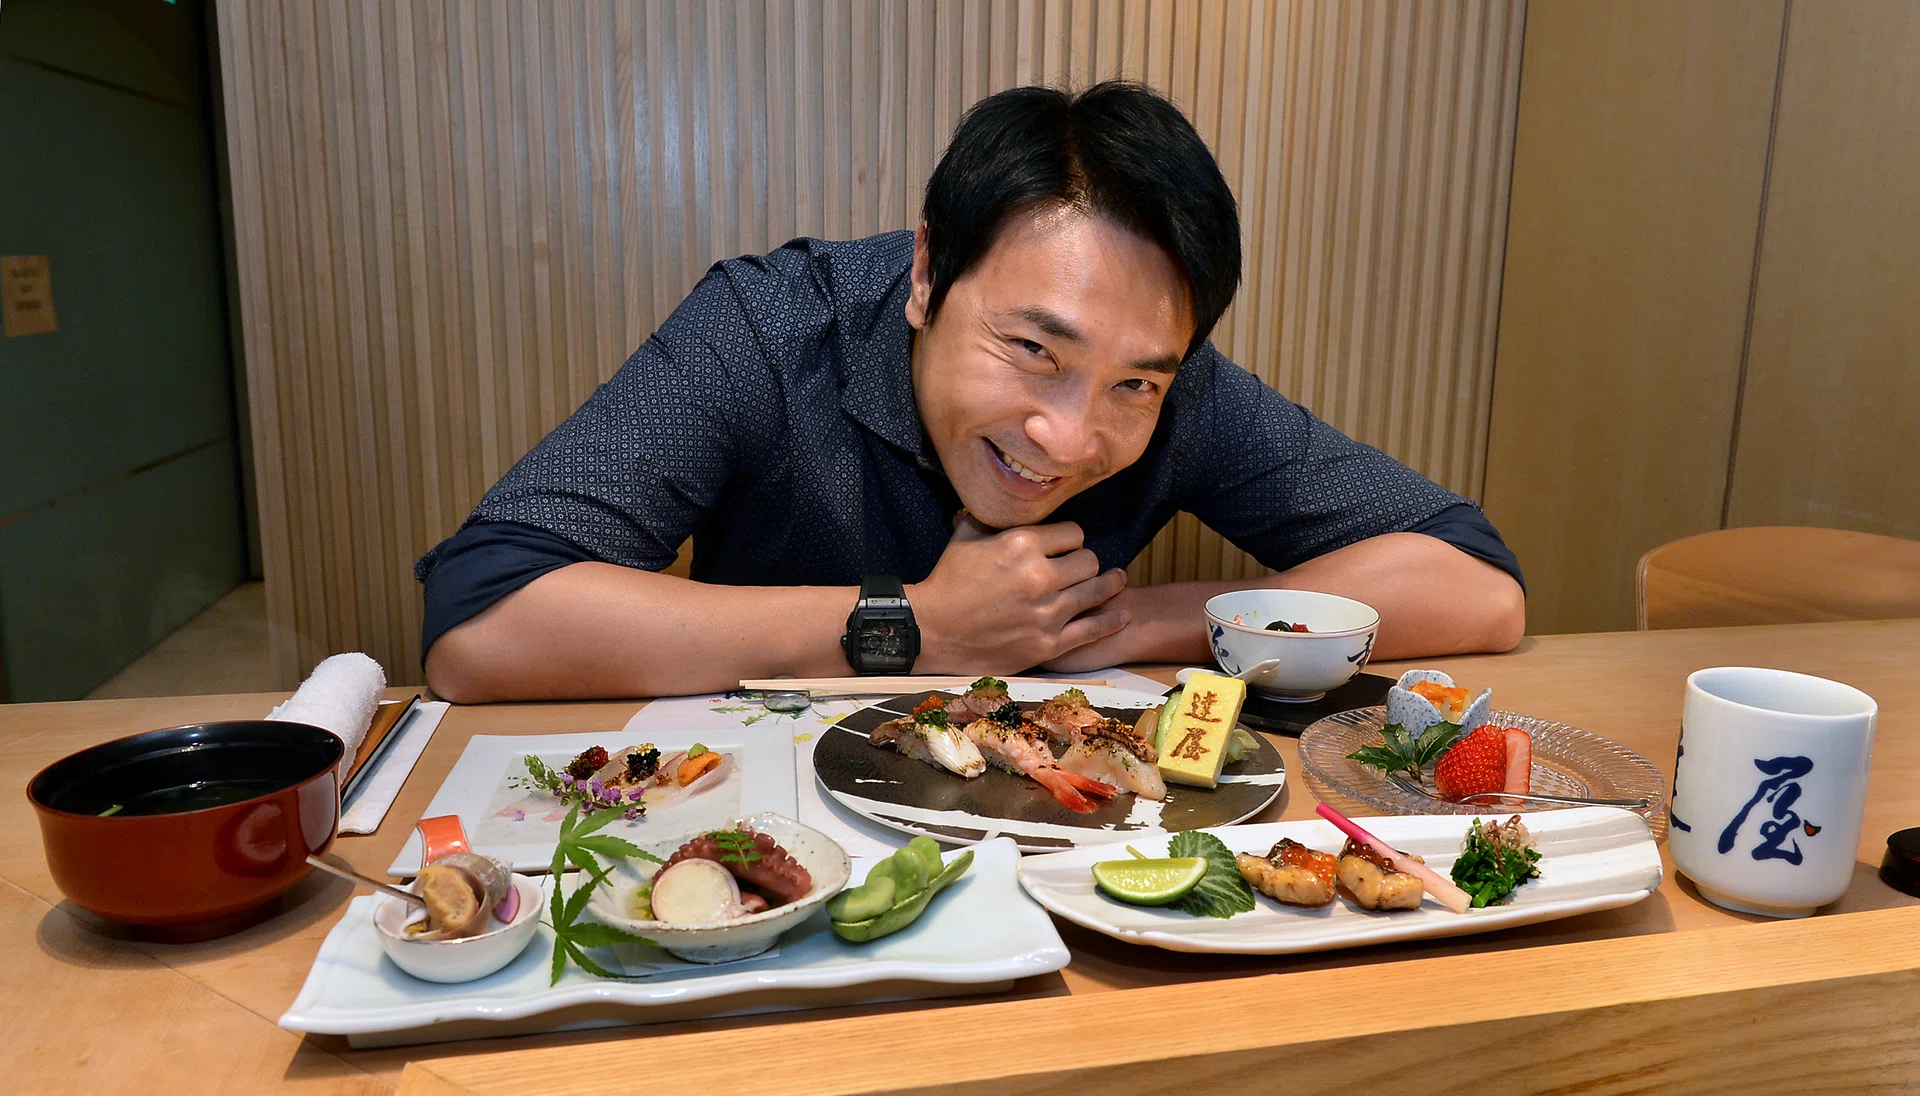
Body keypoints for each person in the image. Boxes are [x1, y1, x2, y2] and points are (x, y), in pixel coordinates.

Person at [418, 81, 1524, 702]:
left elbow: (1476, 586)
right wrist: (915, 626)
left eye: (1136, 379)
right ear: (927, 273)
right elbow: (483, 622)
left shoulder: (1176, 395)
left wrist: (1126, 619)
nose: (1071, 433)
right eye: (1035, 350)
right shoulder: (767, 327)